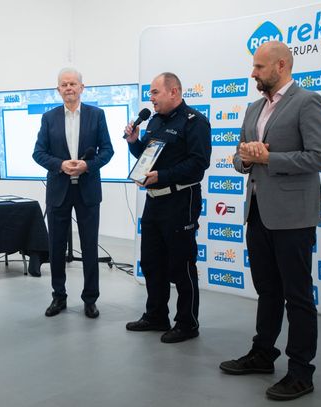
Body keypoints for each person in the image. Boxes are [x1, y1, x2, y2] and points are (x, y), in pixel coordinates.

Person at [219, 41, 321, 401]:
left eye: (259, 67)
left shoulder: (308, 101)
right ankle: (263, 353)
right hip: (257, 212)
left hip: (294, 215)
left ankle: (300, 372)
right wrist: (247, 159)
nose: (253, 73)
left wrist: (269, 158)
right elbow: (240, 157)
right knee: (268, 290)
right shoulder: (254, 108)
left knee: (297, 295)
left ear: (281, 66)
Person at [124, 72, 211, 343]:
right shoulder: (154, 121)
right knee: (152, 262)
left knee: (181, 265)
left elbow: (198, 165)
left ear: (174, 92)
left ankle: (187, 323)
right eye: (150, 93)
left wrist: (162, 176)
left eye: (155, 92)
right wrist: (134, 143)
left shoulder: (195, 122)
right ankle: (156, 316)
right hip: (154, 200)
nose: (150, 98)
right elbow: (148, 158)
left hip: (181, 200)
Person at [33, 68, 114, 318]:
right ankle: (59, 297)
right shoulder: (49, 118)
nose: (69, 88)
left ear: (82, 87)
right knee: (56, 246)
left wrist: (87, 165)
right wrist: (60, 165)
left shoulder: (96, 115)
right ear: (58, 89)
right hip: (59, 190)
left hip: (88, 190)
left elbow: (107, 150)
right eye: (64, 84)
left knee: (89, 246)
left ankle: (90, 299)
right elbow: (38, 153)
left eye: (73, 84)